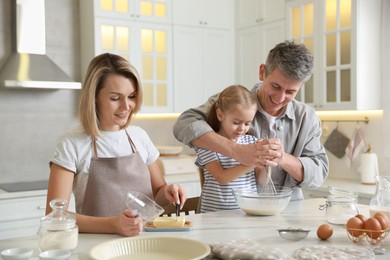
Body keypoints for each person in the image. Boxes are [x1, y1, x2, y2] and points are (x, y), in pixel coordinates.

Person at [46, 53, 187, 237]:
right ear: (94, 96)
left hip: (145, 241)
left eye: (131, 96)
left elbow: (158, 193)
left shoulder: (139, 137)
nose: (126, 106)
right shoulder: (72, 143)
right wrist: (113, 225)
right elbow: (55, 216)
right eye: (115, 98)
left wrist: (168, 191)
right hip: (97, 247)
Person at [173, 41, 329, 200]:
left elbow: (318, 174)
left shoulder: (307, 117)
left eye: (290, 92)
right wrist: (236, 151)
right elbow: (184, 124)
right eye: (275, 86)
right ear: (262, 72)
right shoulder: (234, 102)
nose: (280, 98)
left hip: (289, 210)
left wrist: (282, 157)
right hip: (234, 212)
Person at [195, 85, 266, 212]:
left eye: (247, 123)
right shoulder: (208, 144)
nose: (242, 128)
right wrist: (253, 162)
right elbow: (221, 177)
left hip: (247, 213)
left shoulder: (252, 142)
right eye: (236, 122)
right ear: (220, 115)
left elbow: (262, 181)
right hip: (214, 215)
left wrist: (266, 163)